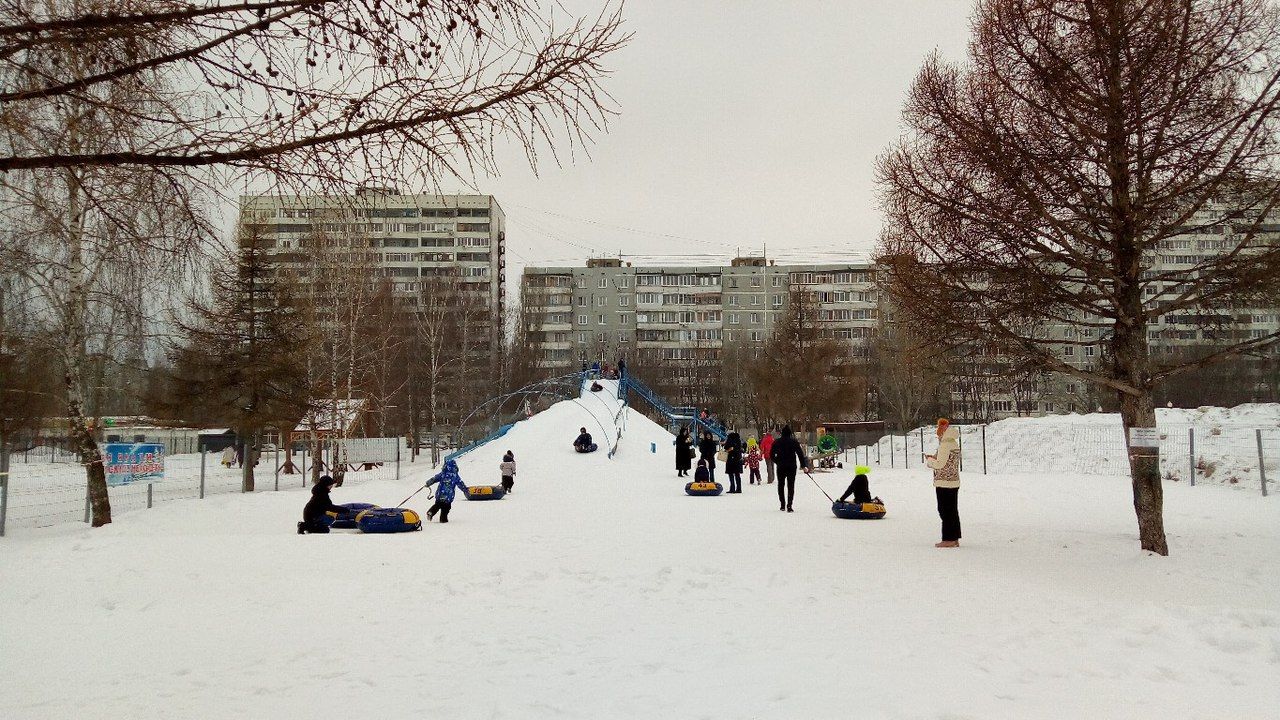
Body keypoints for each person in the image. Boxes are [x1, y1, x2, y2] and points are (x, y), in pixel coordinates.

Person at [925, 419, 962, 548]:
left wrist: (930, 461)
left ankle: (949, 538)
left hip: (944, 482)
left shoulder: (945, 444)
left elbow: (940, 464)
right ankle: (954, 537)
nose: (938, 435)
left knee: (945, 510)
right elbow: (947, 461)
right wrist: (935, 458)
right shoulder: (954, 443)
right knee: (952, 510)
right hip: (953, 481)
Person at [769, 425, 810, 512]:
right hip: (791, 466)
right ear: (790, 433)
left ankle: (782, 505)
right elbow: (800, 454)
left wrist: (777, 461)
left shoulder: (777, 442)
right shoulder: (794, 442)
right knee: (790, 486)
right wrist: (803, 465)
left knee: (781, 485)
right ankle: (789, 505)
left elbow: (771, 455)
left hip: (781, 467)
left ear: (782, 433)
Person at [424, 459, 469, 523]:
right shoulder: (455, 476)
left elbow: (434, 478)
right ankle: (443, 519)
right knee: (446, 508)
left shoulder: (442, 474)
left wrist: (428, 483)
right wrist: (465, 489)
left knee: (437, 505)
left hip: (440, 495)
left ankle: (431, 512)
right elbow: (460, 483)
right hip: (448, 497)